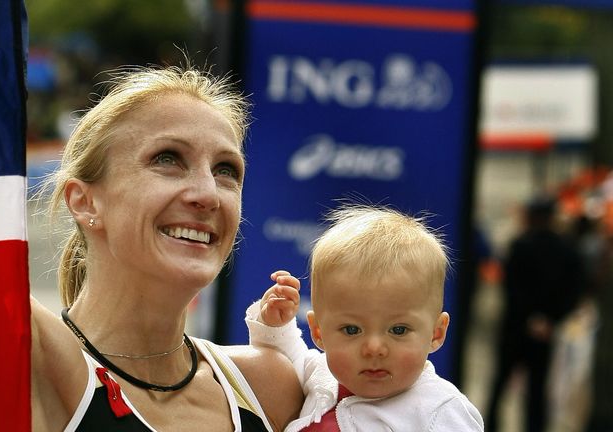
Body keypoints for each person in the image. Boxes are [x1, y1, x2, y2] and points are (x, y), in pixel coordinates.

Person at [30, 64, 303, 431]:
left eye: (226, 170)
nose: (208, 194)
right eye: (168, 159)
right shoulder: (33, 362)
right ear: (84, 201)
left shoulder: (269, 387)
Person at [245, 205, 484, 431]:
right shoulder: (322, 375)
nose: (374, 348)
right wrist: (276, 324)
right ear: (318, 332)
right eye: (351, 330)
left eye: (398, 330)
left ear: (436, 333)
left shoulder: (440, 410)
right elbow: (282, 363)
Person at [484, 195, 583, 432]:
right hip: (544, 333)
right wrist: (549, 319)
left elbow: (511, 287)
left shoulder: (520, 245)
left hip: (516, 327)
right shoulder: (568, 251)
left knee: (500, 383)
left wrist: (529, 318)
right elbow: (573, 291)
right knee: (537, 389)